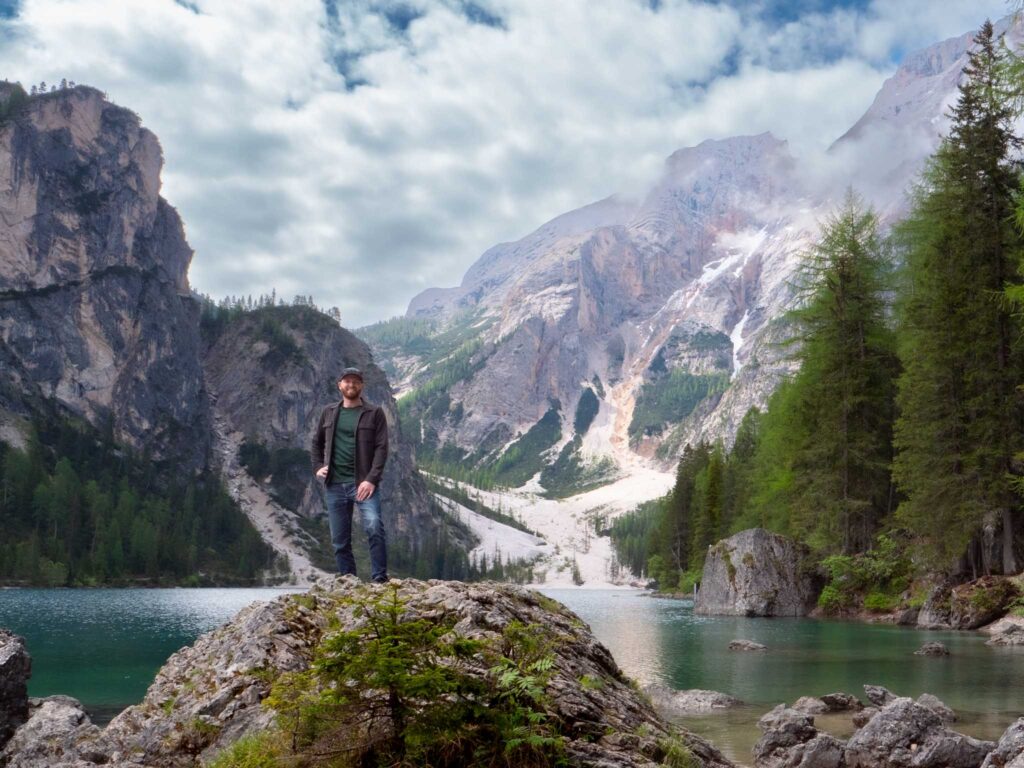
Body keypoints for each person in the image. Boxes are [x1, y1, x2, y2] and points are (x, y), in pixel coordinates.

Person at [309, 367, 389, 582]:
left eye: (355, 381)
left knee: (374, 527)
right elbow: (316, 443)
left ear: (361, 386)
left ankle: (380, 580)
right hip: (334, 484)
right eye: (347, 381)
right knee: (339, 539)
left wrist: (371, 480)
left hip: (363, 484)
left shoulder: (374, 413)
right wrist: (318, 466)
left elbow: (382, 448)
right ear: (339, 385)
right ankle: (348, 581)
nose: (351, 385)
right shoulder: (329, 412)